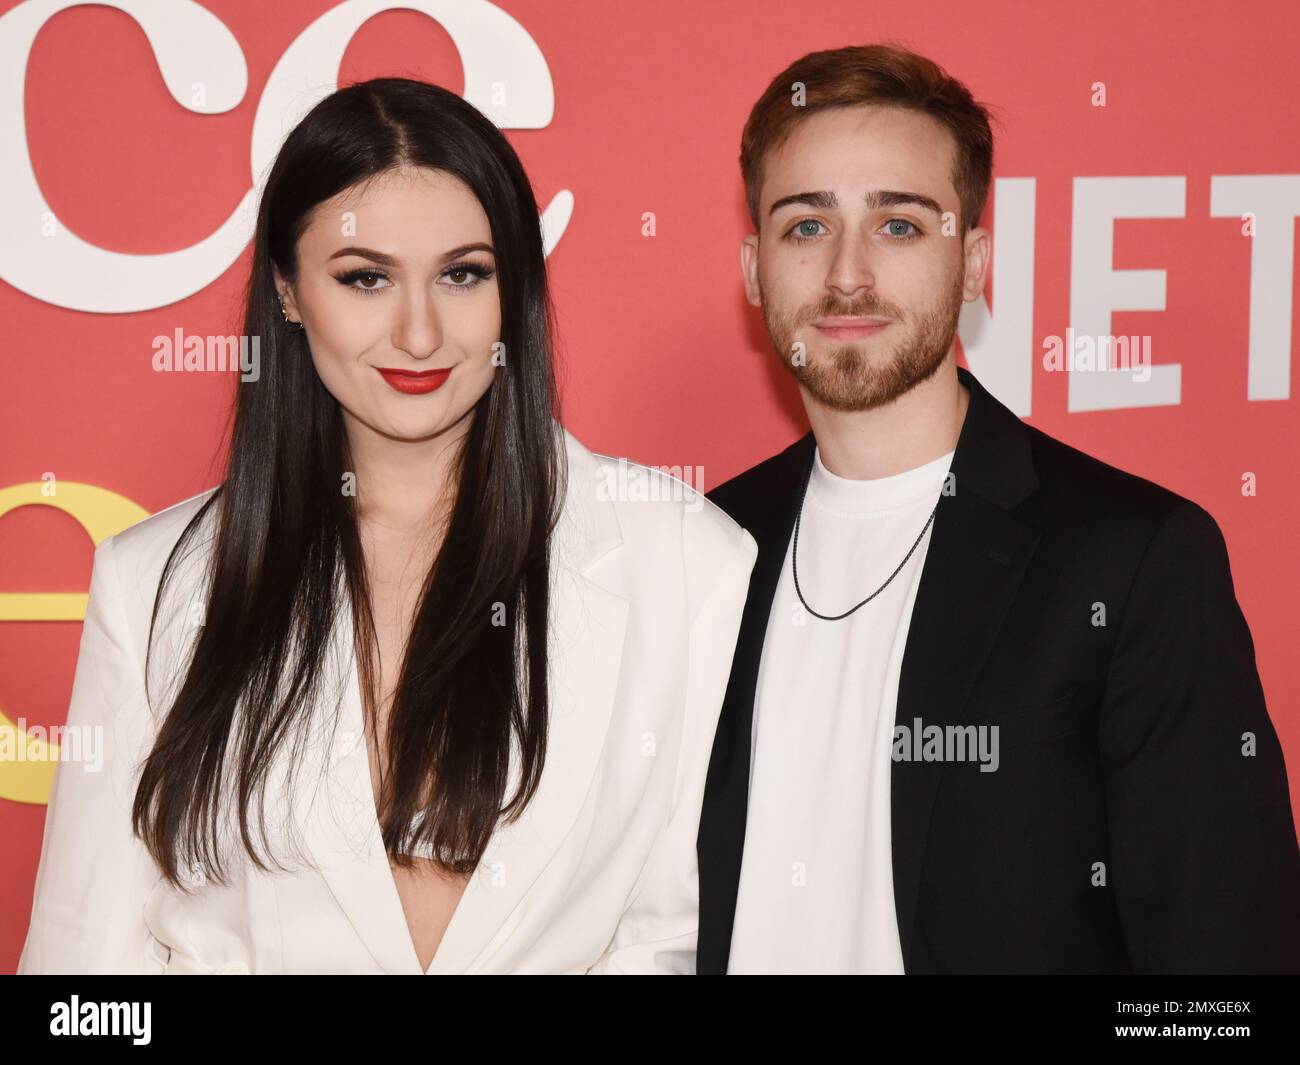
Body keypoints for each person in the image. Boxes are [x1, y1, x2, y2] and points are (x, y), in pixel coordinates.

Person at [18, 77, 756, 974]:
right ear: (288, 292)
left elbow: (668, 937)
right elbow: (83, 978)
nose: (418, 333)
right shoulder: (153, 585)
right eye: (365, 278)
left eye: (462, 274)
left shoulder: (685, 559)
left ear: (512, 289)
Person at [696, 43, 1300, 974]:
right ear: (752, 267)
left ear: (973, 259)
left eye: (898, 225)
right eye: (806, 226)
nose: (848, 275)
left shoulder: (1133, 560)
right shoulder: (703, 548)